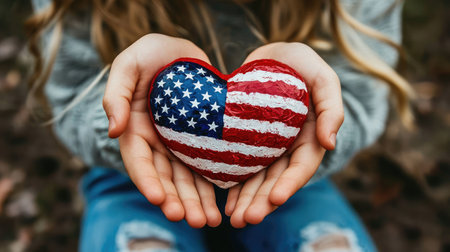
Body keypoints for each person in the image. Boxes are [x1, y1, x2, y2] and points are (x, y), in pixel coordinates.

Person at [26, 0, 413, 251]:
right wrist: (126, 116)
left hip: (290, 174)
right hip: (134, 172)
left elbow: (361, 100)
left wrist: (309, 114)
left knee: (332, 247)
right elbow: (69, 97)